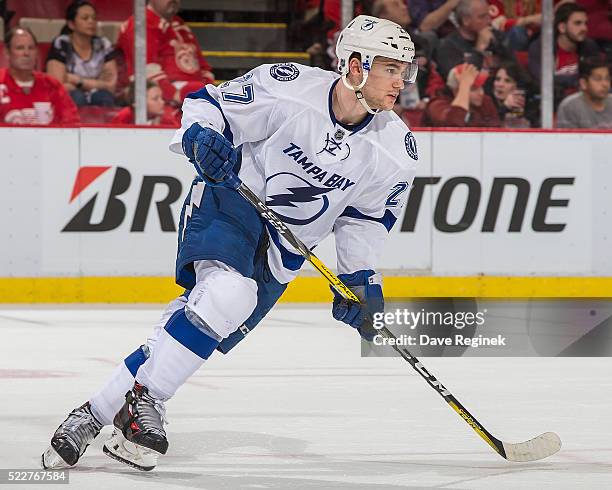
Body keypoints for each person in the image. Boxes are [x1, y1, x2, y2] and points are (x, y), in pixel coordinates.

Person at [41, 15, 420, 471]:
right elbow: (209, 104)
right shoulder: (290, 86)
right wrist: (202, 138)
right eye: (391, 68)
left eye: (405, 70)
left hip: (286, 248)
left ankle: (96, 412)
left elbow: (363, 221)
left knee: (197, 320)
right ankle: (148, 399)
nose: (402, 81)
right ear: (355, 66)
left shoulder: (395, 149)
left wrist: (361, 280)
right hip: (231, 201)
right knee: (228, 294)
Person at [116, 0, 215, 106]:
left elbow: (203, 65)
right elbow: (147, 71)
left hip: (193, 92)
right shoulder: (141, 23)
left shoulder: (178, 22)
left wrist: (208, 87)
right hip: (164, 97)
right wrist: (174, 95)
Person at [0, 27, 79, 125]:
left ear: (36, 52)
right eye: (20, 48)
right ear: (7, 53)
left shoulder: (51, 85)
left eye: (31, 48)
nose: (26, 53)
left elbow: (72, 123)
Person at [46, 0, 117, 107]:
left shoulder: (103, 45)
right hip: (72, 97)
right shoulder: (62, 44)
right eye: (85, 18)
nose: (91, 22)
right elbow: (56, 84)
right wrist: (96, 84)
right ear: (71, 24)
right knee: (77, 97)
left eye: (94, 18)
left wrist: (78, 81)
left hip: (98, 95)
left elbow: (111, 86)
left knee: (104, 97)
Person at [528, 3, 600, 106]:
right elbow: (543, 81)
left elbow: (597, 77)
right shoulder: (541, 48)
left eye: (585, 23)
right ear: (562, 27)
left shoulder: (589, 46)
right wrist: (578, 80)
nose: (584, 28)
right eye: (578, 23)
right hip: (552, 104)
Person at [436, 0, 515, 78]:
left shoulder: (496, 36)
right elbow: (459, 80)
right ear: (465, 20)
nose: (489, 20)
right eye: (482, 17)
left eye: (488, 15)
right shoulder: (448, 46)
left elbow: (515, 71)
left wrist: (499, 47)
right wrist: (479, 49)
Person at [422, 62, 501, 126]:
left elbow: (496, 127)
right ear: (456, 91)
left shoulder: (485, 101)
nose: (481, 93)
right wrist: (465, 85)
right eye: (473, 89)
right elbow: (455, 124)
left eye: (481, 87)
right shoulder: (437, 104)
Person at [556, 58, 612, 128]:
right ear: (583, 83)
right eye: (598, 79)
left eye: (607, 79)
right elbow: (568, 138)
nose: (605, 84)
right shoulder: (569, 107)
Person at [485, 60, 539, 127]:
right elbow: (487, 127)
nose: (500, 85)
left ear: (517, 86)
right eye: (497, 79)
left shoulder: (528, 105)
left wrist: (517, 110)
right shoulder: (486, 102)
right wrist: (505, 107)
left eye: (507, 81)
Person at [112, 80, 180, 126]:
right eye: (155, 99)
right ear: (136, 102)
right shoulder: (123, 119)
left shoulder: (167, 120)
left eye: (162, 98)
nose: (162, 102)